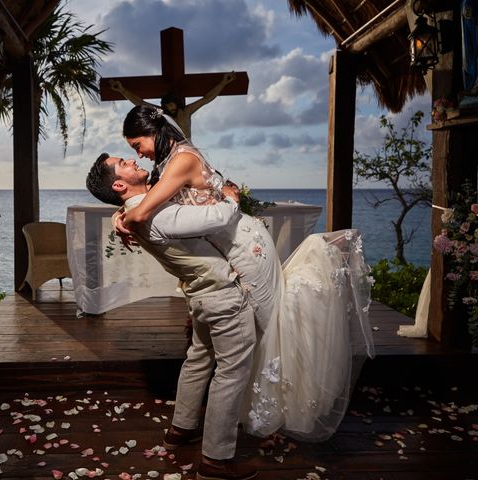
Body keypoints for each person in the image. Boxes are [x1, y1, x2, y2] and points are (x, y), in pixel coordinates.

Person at [115, 104, 376, 442]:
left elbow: (143, 211)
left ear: (154, 131)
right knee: (250, 330)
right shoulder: (167, 163)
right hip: (232, 247)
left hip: (246, 247)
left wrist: (126, 219)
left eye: (137, 146)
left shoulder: (182, 159)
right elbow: (142, 201)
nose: (139, 154)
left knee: (269, 324)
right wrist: (118, 216)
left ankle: (282, 404)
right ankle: (255, 407)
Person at [86, 153, 259, 480]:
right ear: (120, 183)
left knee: (199, 358)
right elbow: (217, 218)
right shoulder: (157, 215)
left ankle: (181, 429)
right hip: (220, 296)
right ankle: (215, 461)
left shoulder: (133, 211)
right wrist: (232, 199)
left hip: (200, 297)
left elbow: (132, 207)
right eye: (124, 162)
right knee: (232, 372)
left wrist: (116, 218)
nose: (133, 161)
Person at [109, 72, 236, 139]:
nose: (171, 109)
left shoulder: (187, 111)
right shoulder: (160, 113)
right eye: (168, 106)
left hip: (188, 149)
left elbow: (207, 98)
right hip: (170, 150)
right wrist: (122, 90)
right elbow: (141, 103)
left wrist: (223, 82)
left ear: (177, 104)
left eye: (173, 105)